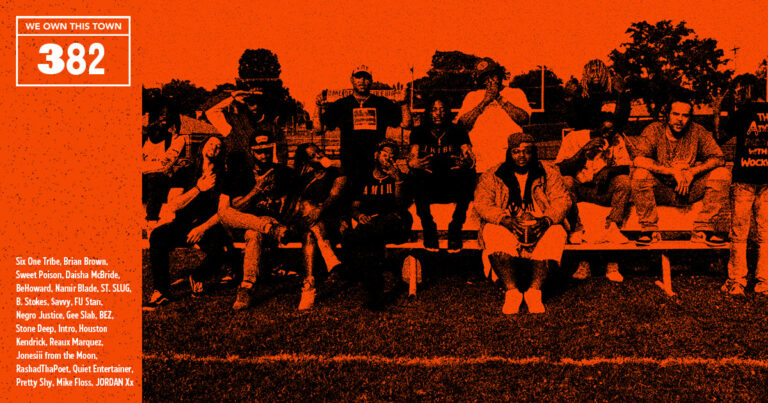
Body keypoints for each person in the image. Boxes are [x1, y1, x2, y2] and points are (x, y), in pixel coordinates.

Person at [474, 132, 570, 314]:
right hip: (508, 222)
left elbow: (562, 200)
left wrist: (547, 220)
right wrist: (505, 220)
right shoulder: (493, 174)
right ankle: (512, 292)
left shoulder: (549, 173)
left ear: (534, 153)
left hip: (540, 222)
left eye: (527, 151)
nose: (521, 156)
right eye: (516, 152)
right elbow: (482, 203)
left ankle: (534, 292)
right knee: (491, 230)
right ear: (509, 153)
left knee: (556, 232)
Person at [144, 136, 234, 309]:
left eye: (218, 146)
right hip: (183, 224)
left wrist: (202, 228)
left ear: (221, 153)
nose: (214, 147)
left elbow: (223, 210)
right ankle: (161, 292)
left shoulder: (224, 176)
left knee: (223, 249)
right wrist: (198, 188)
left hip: (209, 225)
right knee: (157, 236)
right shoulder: (186, 172)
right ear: (202, 147)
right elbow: (173, 204)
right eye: (211, 143)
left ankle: (198, 276)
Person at [630, 96, 732, 246]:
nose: (680, 119)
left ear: (690, 118)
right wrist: (672, 172)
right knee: (640, 174)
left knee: (722, 174)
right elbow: (639, 159)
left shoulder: (697, 131)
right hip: (662, 189)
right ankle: (649, 229)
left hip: (690, 189)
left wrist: (692, 172)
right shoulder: (654, 130)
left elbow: (718, 158)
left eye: (685, 115)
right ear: (667, 115)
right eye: (675, 114)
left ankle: (703, 229)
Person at [217, 132, 293, 311]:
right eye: (259, 151)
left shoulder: (282, 172)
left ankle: (247, 287)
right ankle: (267, 228)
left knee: (254, 234)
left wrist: (281, 202)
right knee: (226, 213)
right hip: (243, 223)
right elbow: (236, 208)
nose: (264, 155)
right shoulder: (240, 174)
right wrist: (257, 190)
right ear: (252, 151)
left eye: (267, 150)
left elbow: (290, 202)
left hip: (272, 221)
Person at [555, 118, 632, 282]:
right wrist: (583, 150)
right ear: (593, 125)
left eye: (611, 131)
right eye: (604, 130)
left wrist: (608, 171)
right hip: (580, 189)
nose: (607, 134)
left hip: (602, 190)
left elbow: (626, 166)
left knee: (624, 181)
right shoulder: (574, 138)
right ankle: (577, 234)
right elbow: (562, 168)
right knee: (566, 182)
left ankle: (613, 228)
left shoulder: (616, 139)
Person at [341, 141, 413, 310]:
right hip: (372, 226)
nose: (388, 158)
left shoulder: (400, 177)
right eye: (385, 154)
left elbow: (401, 205)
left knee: (359, 237)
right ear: (376, 155)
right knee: (370, 246)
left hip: (396, 223)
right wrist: (359, 216)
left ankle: (352, 266)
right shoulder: (363, 178)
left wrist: (398, 181)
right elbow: (354, 206)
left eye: (392, 155)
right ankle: (376, 294)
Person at [316, 65, 412, 187]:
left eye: (366, 77)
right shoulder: (342, 104)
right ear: (352, 79)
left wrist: (403, 103)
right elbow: (318, 129)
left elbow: (407, 124)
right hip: (349, 165)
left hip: (376, 166)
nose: (362, 80)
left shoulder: (381, 103)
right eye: (358, 77)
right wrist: (318, 107)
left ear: (371, 81)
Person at [408, 97, 476, 252]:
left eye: (442, 109)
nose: (438, 113)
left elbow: (469, 155)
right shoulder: (419, 131)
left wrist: (467, 162)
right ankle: (428, 227)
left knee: (467, 176)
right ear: (428, 112)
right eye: (434, 109)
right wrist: (414, 163)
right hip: (429, 184)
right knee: (417, 177)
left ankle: (455, 228)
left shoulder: (458, 131)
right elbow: (412, 157)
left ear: (448, 112)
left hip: (452, 183)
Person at [285, 143, 347, 309]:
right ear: (307, 161)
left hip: (331, 221)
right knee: (306, 204)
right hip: (308, 221)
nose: (319, 155)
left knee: (309, 234)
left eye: (319, 151)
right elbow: (295, 204)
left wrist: (319, 209)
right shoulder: (304, 178)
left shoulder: (337, 172)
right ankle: (328, 253)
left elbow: (334, 196)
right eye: (313, 155)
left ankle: (309, 287)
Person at [722, 96, 768, 295]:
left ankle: (737, 281)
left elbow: (722, 134)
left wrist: (722, 109)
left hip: (744, 178)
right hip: (766, 180)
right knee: (766, 234)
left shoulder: (744, 111)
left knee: (739, 234)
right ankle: (764, 282)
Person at [456, 58, 532, 172]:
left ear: (500, 74)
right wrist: (484, 102)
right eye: (485, 79)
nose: (490, 81)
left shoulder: (516, 93)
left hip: (509, 161)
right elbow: (462, 124)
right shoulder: (472, 96)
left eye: (492, 76)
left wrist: (499, 97)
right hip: (481, 161)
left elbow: (524, 119)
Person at [206, 89, 281, 184]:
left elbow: (279, 159)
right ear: (245, 104)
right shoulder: (233, 124)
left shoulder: (273, 128)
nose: (255, 107)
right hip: (240, 181)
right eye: (251, 103)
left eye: (259, 102)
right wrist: (232, 96)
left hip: (267, 180)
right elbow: (211, 112)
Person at [142, 100, 187, 221]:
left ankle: (152, 219)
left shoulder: (177, 140)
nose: (163, 118)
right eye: (161, 114)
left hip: (158, 177)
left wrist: (145, 167)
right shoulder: (144, 137)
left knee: (155, 178)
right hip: (146, 173)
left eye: (167, 116)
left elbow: (164, 165)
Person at [563, 59, 632, 133]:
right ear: (587, 74)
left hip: (609, 133)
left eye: (599, 71)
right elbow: (573, 122)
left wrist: (621, 94)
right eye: (592, 71)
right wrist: (569, 101)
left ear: (604, 73)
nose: (596, 74)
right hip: (586, 132)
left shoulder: (612, 90)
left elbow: (622, 118)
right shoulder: (581, 93)